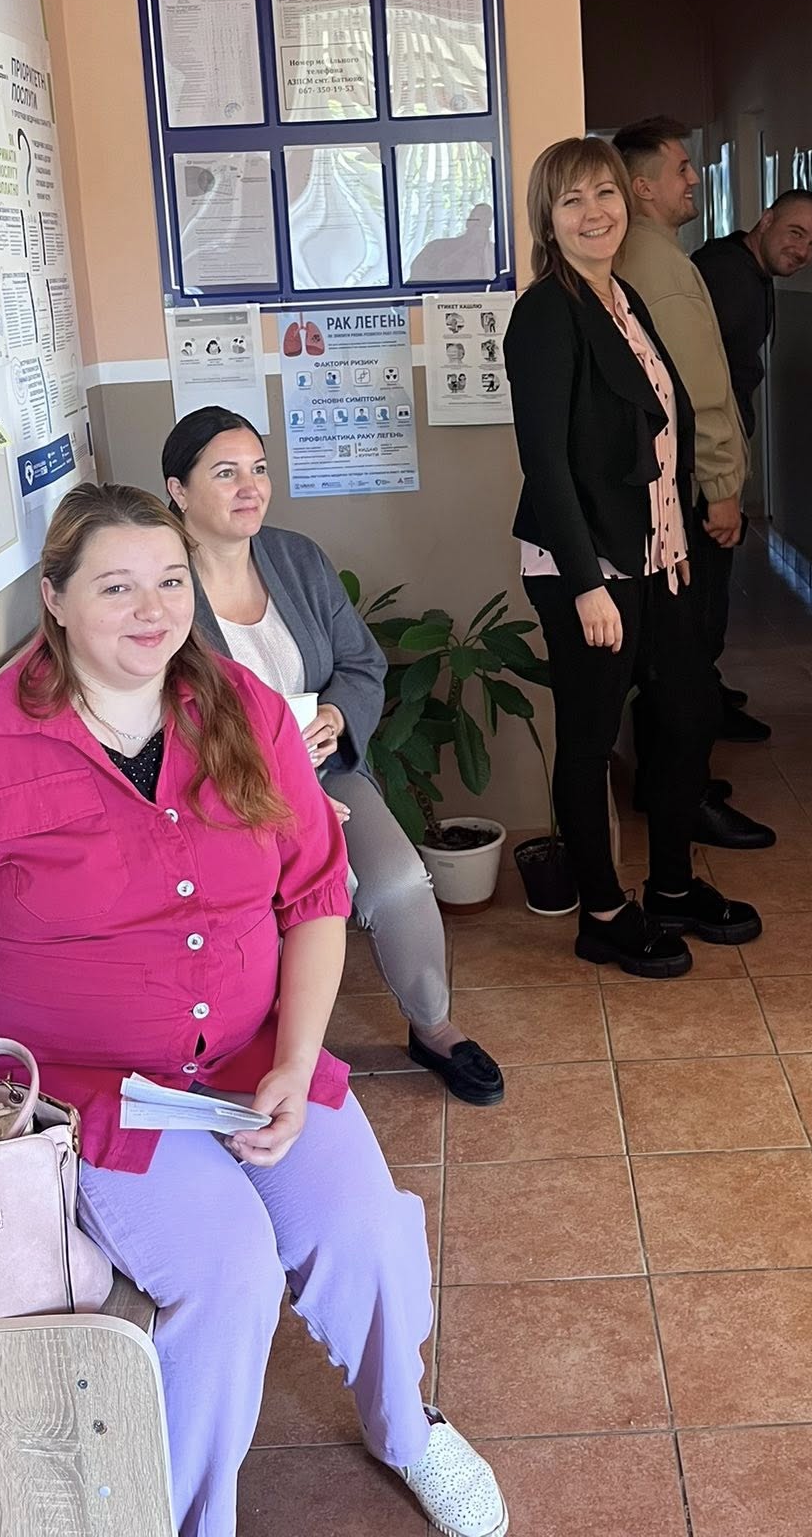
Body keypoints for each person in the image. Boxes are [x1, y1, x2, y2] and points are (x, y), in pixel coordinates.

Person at [0, 483, 506, 1537]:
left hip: (249, 1054)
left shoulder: (246, 710)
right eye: (117, 586)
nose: (154, 609)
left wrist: (297, 1055)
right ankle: (184, 1519)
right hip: (87, 1094)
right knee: (227, 1273)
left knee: (364, 1230)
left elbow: (317, 897)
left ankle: (406, 1427)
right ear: (54, 598)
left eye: (171, 581)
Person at [161, 406, 503, 1109]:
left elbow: (361, 662)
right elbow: (163, 716)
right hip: (224, 795)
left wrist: (338, 716)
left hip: (327, 769)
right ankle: (272, 1054)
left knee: (399, 881)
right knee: (288, 903)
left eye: (259, 470)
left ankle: (434, 1028)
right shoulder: (160, 584)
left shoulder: (296, 559)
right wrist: (275, 788)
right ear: (178, 491)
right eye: (225, 474)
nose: (250, 488)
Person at [504, 136, 762, 979]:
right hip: (589, 568)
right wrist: (587, 585)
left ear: (627, 201)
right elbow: (546, 465)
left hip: (659, 556)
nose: (594, 213)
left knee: (686, 714)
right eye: (572, 200)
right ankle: (605, 915)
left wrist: (673, 538)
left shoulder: (624, 297)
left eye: (606, 194)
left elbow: (662, 434)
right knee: (589, 741)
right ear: (547, 218)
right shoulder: (547, 313)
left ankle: (673, 888)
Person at [611, 118, 779, 827]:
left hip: (661, 493)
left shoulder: (648, 257)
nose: (693, 178)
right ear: (642, 186)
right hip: (686, 493)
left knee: (673, 653)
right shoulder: (662, 269)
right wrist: (723, 488)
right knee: (688, 652)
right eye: (680, 168)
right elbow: (698, 395)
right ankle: (683, 798)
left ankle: (671, 787)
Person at [693, 188, 812, 713]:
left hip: (716, 456)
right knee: (702, 598)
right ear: (766, 220)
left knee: (710, 595)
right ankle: (696, 715)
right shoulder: (728, 276)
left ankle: (706, 697)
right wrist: (720, 482)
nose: (803, 251)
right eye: (795, 233)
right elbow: (703, 383)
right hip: (704, 463)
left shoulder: (749, 271)